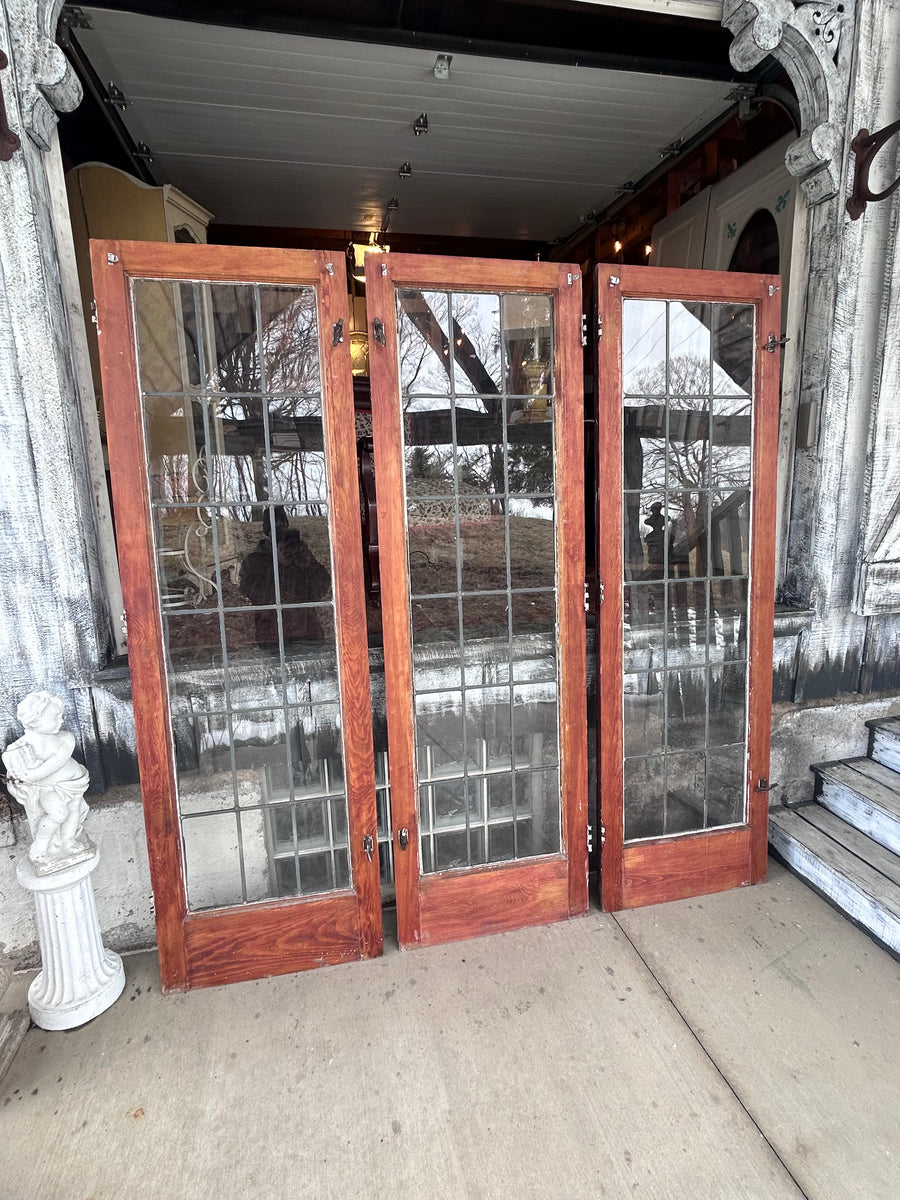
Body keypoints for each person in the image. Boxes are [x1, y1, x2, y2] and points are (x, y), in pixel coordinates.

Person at [2, 691, 92, 871]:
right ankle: (42, 843)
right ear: (33, 720)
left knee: (74, 809)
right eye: (54, 716)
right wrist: (17, 782)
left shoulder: (65, 738)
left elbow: (56, 762)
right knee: (58, 813)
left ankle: (68, 840)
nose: (61, 720)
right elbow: (15, 776)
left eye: (61, 715)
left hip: (74, 783)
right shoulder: (17, 750)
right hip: (46, 789)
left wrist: (32, 774)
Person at [239, 507, 330, 648]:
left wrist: (309, 565)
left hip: (307, 632)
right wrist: (278, 565)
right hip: (272, 635)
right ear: (267, 531)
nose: (279, 532)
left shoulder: (300, 554)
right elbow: (253, 594)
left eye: (282, 526)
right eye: (274, 527)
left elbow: (322, 588)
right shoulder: (254, 561)